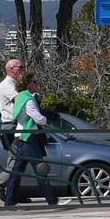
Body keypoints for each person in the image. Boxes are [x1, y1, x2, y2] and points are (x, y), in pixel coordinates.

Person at [5, 71, 67, 207]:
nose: (37, 84)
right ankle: (52, 201)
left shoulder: (21, 97)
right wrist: (46, 118)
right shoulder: (28, 99)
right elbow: (39, 119)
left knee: (16, 171)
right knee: (41, 169)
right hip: (28, 137)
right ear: (28, 84)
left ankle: (9, 202)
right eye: (34, 81)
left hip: (20, 137)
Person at [0, 58, 23, 202]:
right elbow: (20, 100)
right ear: (11, 69)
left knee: (14, 159)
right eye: (20, 67)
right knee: (18, 159)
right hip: (12, 125)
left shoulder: (14, 84)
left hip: (13, 125)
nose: (23, 69)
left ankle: (10, 193)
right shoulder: (7, 85)